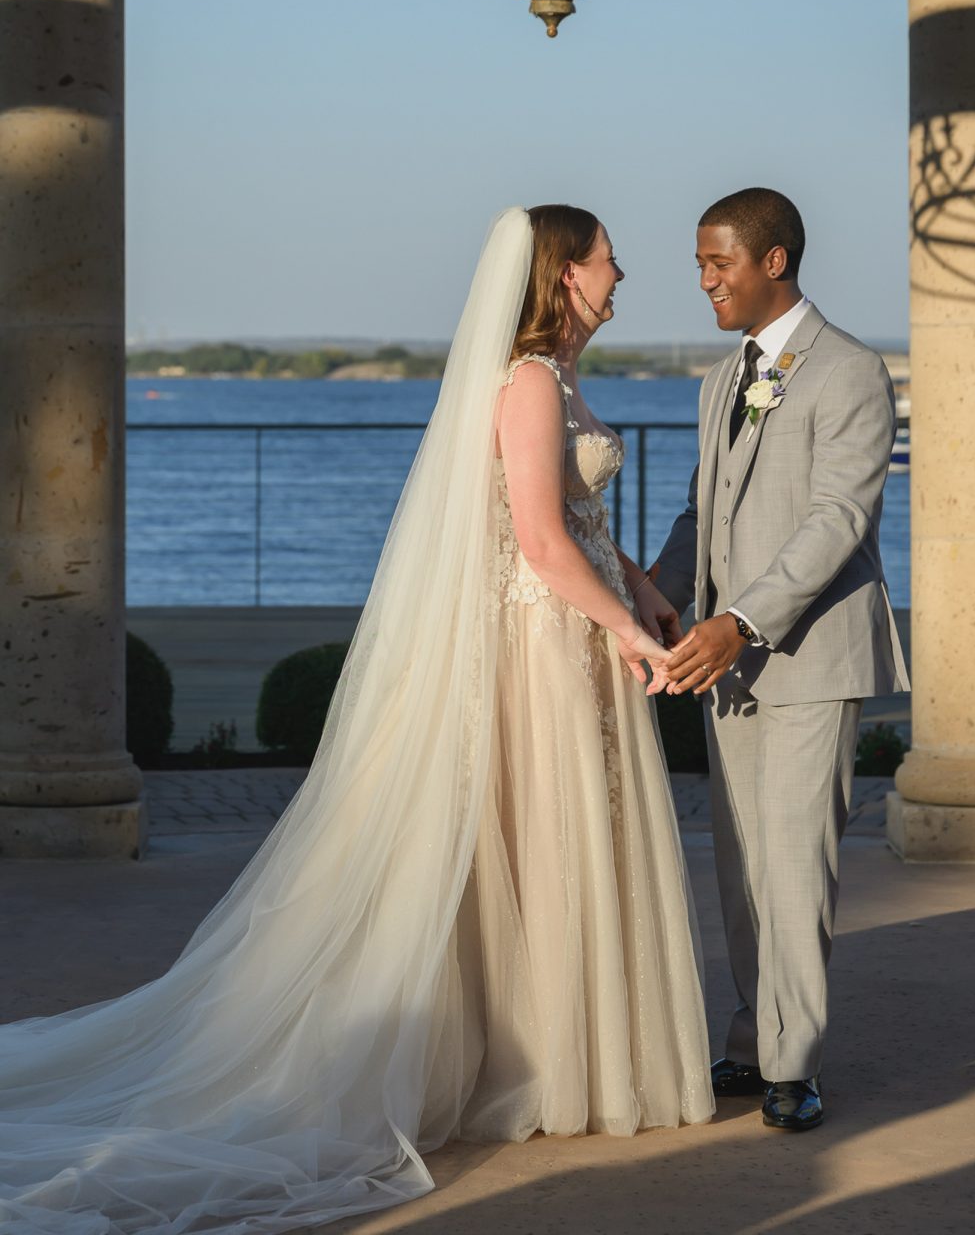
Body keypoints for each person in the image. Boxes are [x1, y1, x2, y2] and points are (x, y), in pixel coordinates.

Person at [0, 205, 713, 1235]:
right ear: (563, 275)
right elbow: (543, 546)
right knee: (537, 843)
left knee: (561, 846)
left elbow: (585, 529)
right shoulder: (521, 382)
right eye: (608, 261)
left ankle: (568, 1060)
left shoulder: (557, 378)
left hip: (576, 639)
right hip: (536, 652)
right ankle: (536, 1068)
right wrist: (638, 638)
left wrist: (643, 590)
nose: (621, 276)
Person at [651, 187, 909, 1132]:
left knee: (796, 865)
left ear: (774, 261)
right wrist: (657, 589)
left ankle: (793, 1067)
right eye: (698, 265)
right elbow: (700, 511)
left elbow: (839, 519)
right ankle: (754, 1039)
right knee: (743, 864)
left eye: (717, 263)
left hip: (806, 654)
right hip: (726, 661)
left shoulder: (849, 370)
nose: (705, 281)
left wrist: (743, 622)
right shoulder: (723, 379)